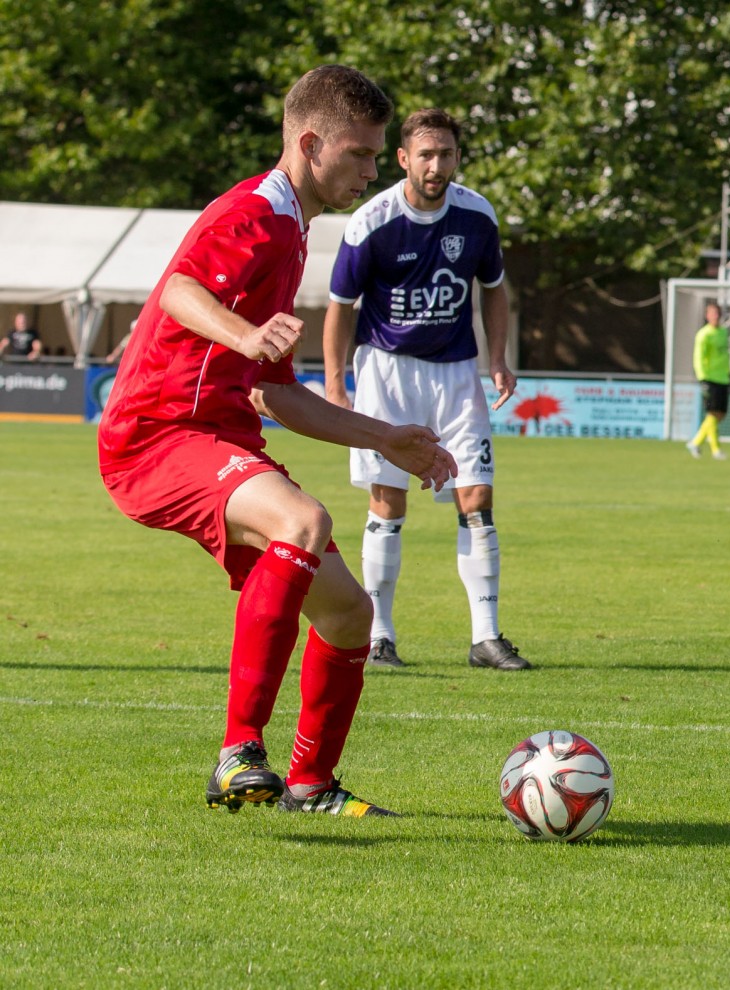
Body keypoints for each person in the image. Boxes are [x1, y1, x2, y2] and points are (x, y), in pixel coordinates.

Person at [98, 65, 456, 818]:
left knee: (349, 612)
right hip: (157, 434)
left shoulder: (294, 229)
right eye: (360, 154)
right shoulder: (255, 213)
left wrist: (386, 437)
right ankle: (238, 751)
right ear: (310, 141)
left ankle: (310, 785)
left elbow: (276, 394)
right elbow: (179, 291)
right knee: (303, 521)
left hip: (218, 434)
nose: (371, 169)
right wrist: (245, 331)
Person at [323, 107, 527, 672]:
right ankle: (379, 636)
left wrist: (499, 359)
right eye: (427, 154)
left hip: (457, 373)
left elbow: (494, 289)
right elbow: (341, 308)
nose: (437, 165)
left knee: (477, 502)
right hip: (387, 373)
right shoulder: (372, 221)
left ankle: (485, 637)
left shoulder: (477, 216)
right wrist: (337, 384)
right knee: (389, 503)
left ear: (458, 158)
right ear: (404, 159)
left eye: (448, 154)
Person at [685, 301, 730, 460]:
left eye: (717, 313)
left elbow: (725, 356)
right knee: (713, 412)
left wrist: (729, 375)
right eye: (712, 314)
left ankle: (696, 442)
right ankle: (715, 450)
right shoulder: (704, 334)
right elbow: (698, 357)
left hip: (723, 378)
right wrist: (702, 377)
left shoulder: (723, 332)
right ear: (707, 316)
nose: (715, 316)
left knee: (720, 414)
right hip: (710, 378)